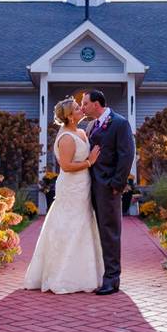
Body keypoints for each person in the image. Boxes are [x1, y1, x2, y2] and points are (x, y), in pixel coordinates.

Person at [23, 97, 103, 293]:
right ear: (69, 116)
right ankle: (64, 276)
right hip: (71, 187)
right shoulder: (66, 138)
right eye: (77, 108)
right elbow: (66, 167)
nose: (81, 109)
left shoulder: (82, 131)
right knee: (70, 224)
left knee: (84, 223)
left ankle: (86, 272)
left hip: (84, 185)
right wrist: (90, 162)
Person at [81, 89, 135, 295]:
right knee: (94, 231)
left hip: (108, 188)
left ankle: (112, 279)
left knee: (110, 232)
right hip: (88, 186)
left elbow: (126, 155)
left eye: (85, 103)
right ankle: (96, 274)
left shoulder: (119, 123)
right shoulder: (91, 125)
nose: (83, 108)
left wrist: (116, 185)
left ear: (97, 104)